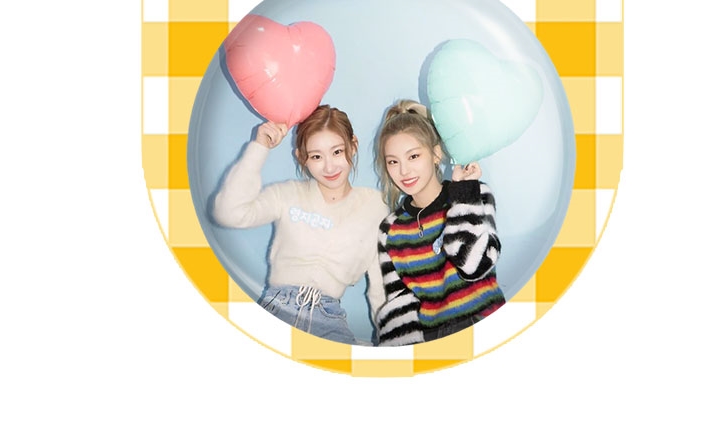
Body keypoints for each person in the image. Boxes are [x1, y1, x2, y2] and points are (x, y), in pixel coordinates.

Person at [212, 105, 387, 345]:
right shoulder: (288, 194)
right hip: (277, 309)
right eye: (316, 156)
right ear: (301, 157)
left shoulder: (375, 206)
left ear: (353, 145)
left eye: (337, 152)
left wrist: (390, 339)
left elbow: (380, 286)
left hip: (330, 320)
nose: (329, 167)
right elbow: (228, 213)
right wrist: (259, 147)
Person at [373, 100, 505, 345]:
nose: (404, 171)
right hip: (432, 341)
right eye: (393, 161)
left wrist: (463, 195)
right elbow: (400, 306)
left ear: (436, 154)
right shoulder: (390, 230)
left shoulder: (474, 194)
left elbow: (474, 267)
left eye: (413, 156)